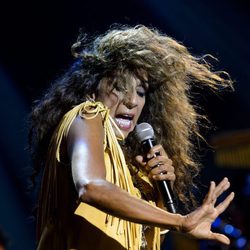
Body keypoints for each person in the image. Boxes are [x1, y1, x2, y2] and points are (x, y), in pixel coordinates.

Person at [29, 25, 234, 250]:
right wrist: (180, 221)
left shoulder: (130, 173)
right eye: (119, 87)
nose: (132, 101)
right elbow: (90, 187)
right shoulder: (86, 115)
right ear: (91, 90)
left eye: (141, 92)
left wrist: (158, 195)